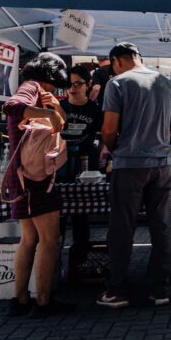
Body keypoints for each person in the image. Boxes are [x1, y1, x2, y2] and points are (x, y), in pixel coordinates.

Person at [98, 43, 171, 308]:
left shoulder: (117, 83)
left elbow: (109, 129)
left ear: (116, 61)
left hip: (129, 164)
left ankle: (117, 290)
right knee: (162, 226)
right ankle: (160, 289)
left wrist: (115, 147)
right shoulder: (165, 82)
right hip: (162, 164)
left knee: (122, 227)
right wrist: (156, 139)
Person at [2, 53, 71, 318]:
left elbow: (57, 123)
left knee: (29, 239)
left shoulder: (37, 90)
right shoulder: (31, 87)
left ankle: (19, 299)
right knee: (49, 240)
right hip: (35, 179)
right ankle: (43, 300)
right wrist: (48, 113)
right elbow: (11, 106)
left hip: (19, 178)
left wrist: (55, 109)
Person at [59, 64, 103, 267]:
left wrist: (103, 152)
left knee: (81, 214)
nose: (73, 88)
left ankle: (81, 260)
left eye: (78, 84)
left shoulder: (95, 110)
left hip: (86, 165)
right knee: (57, 215)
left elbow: (103, 135)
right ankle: (54, 258)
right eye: (69, 84)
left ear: (88, 85)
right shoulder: (60, 107)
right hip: (60, 166)